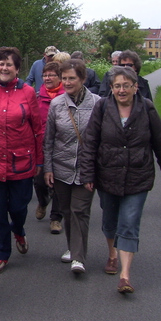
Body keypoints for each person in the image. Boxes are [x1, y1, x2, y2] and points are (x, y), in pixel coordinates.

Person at [80, 66, 161, 294]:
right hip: (108, 175)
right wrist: (88, 174)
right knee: (110, 221)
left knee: (130, 223)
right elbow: (90, 143)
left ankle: (125, 275)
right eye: (117, 86)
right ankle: (112, 254)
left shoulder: (147, 109)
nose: (122, 90)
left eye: (126, 85)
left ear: (136, 87)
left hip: (138, 176)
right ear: (111, 88)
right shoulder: (102, 107)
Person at [0, 47, 43, 274]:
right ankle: (1, 254)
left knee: (18, 206)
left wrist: (39, 162)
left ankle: (19, 230)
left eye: (9, 64)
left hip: (21, 162)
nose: (5, 68)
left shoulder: (28, 92)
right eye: (1, 63)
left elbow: (37, 129)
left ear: (17, 68)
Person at [43, 59, 100, 274]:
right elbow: (49, 139)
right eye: (64, 78)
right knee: (67, 210)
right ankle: (72, 246)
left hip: (87, 170)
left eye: (71, 78)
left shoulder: (97, 103)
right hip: (61, 168)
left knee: (80, 211)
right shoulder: (57, 104)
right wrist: (48, 167)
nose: (67, 82)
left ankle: (78, 258)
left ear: (83, 79)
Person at [35, 62, 66, 235]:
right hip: (41, 146)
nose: (47, 78)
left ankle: (56, 218)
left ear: (60, 78)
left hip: (61, 146)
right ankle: (42, 201)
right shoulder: (37, 97)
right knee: (39, 182)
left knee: (59, 183)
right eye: (45, 75)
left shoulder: (65, 97)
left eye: (51, 75)